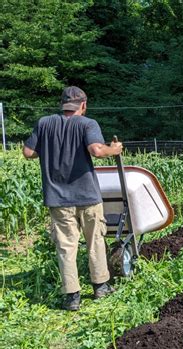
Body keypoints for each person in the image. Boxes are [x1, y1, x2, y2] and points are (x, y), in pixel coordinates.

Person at [23, 86, 123, 311]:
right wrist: (114, 149)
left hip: (57, 198)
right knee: (95, 241)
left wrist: (48, 149)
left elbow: (28, 153)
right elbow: (97, 150)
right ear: (83, 105)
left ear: (62, 104)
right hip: (87, 196)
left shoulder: (44, 123)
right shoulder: (88, 124)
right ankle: (100, 287)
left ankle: (72, 297)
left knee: (66, 246)